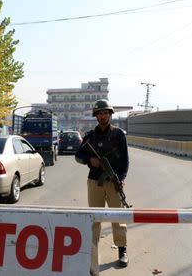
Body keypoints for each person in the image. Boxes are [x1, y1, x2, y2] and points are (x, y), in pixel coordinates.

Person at [75, 99, 129, 276]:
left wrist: (120, 179)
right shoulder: (90, 136)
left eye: (105, 112)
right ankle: (92, 253)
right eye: (100, 113)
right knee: (95, 219)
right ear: (96, 116)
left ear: (110, 114)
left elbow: (125, 161)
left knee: (118, 217)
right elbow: (78, 156)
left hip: (113, 182)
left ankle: (122, 251)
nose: (103, 115)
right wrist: (90, 160)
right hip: (94, 182)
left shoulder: (119, 135)